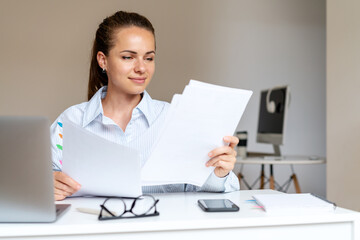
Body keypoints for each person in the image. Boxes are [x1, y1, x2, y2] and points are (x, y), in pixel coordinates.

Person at [51, 11, 240, 201]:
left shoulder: (174, 119)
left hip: (161, 229)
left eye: (148, 58)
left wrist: (219, 173)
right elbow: (37, 182)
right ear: (103, 60)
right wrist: (46, 184)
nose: (141, 68)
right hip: (93, 228)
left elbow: (206, 190)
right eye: (128, 57)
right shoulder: (71, 121)